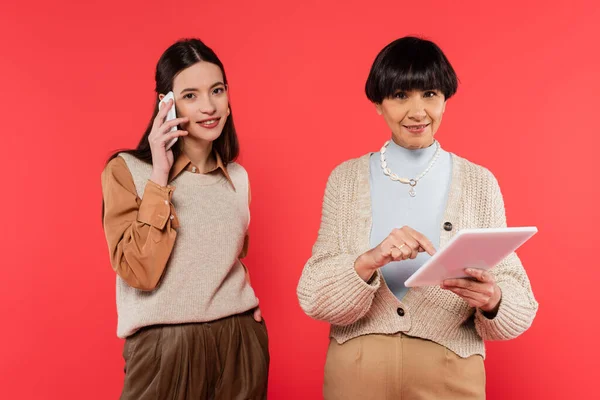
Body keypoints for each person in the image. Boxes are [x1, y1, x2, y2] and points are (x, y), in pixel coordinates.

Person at [297, 36, 538, 399]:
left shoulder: (479, 183)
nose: (417, 111)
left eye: (430, 94)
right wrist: (368, 261)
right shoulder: (345, 180)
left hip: (451, 375)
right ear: (378, 103)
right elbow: (314, 295)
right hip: (357, 374)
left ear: (445, 98)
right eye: (400, 96)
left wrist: (494, 299)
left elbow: (519, 301)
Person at [101, 38, 268, 400]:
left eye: (217, 90)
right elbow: (139, 271)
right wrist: (159, 176)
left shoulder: (237, 178)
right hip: (164, 347)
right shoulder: (126, 170)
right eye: (190, 95)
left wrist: (246, 315)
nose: (209, 106)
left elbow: (225, 259)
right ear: (166, 103)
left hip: (238, 343)